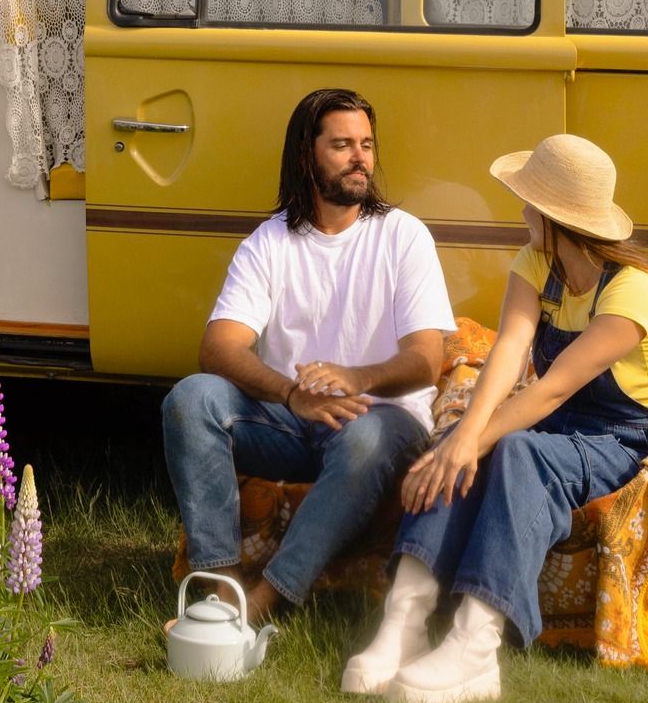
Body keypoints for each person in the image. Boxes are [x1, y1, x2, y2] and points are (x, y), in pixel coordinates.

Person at [343, 132, 648, 703]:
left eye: (528, 202)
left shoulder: (634, 292)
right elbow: (509, 353)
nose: (520, 211)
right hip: (555, 420)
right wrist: (462, 437)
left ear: (553, 216)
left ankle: (476, 645)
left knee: (515, 451)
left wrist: (474, 437)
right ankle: (405, 620)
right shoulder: (537, 263)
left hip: (613, 437)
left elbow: (553, 388)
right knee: (462, 442)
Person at [162, 89, 455, 630]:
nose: (360, 157)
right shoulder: (269, 243)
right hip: (294, 423)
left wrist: (354, 379)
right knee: (191, 399)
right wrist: (292, 395)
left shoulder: (403, 236)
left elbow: (425, 361)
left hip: (379, 424)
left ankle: (265, 601)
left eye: (366, 144)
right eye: (342, 145)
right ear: (307, 155)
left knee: (366, 436)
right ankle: (221, 588)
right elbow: (218, 347)